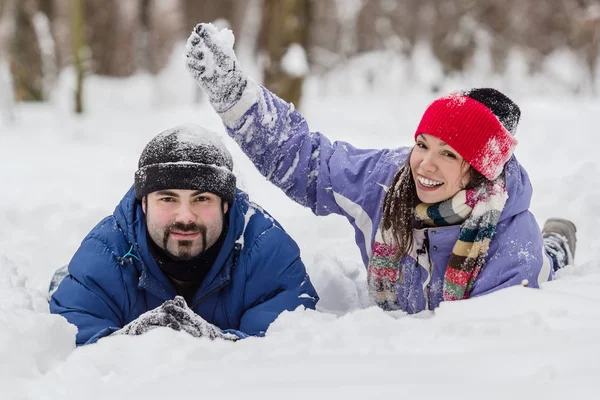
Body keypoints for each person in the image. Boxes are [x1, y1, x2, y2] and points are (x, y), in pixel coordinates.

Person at [184, 23, 577, 313]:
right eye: (423, 145)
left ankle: (556, 246)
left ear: (477, 170)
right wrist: (235, 96)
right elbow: (305, 159)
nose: (425, 163)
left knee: (545, 261)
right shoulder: (385, 179)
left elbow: (484, 347)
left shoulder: (511, 243)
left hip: (523, 261)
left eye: (449, 154)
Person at [49, 123, 318, 345]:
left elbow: (289, 345)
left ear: (226, 204)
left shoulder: (265, 250)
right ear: (143, 203)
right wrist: (128, 342)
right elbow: (70, 338)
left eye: (202, 199)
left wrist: (215, 344)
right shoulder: (106, 252)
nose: (185, 216)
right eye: (168, 199)